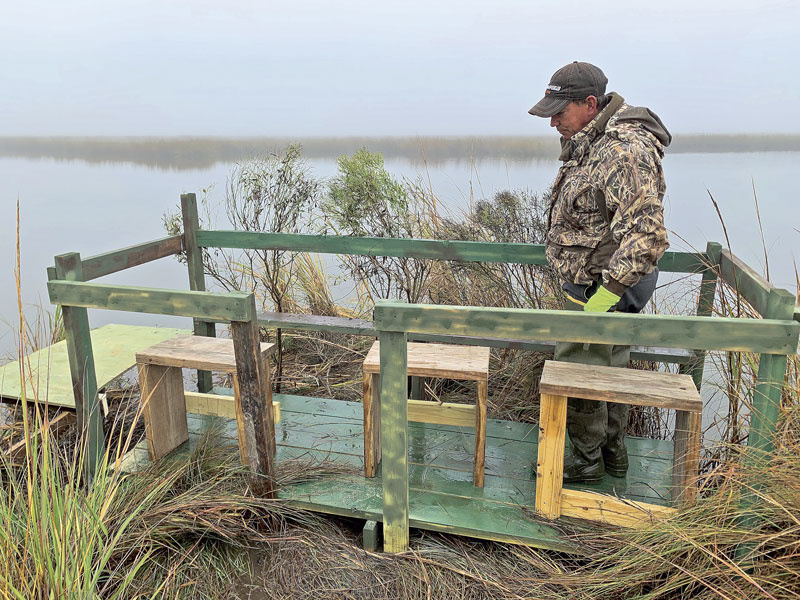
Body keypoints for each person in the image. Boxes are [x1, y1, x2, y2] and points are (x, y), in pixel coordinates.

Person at [529, 61, 671, 483]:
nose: (553, 121)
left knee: (580, 371)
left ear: (590, 104)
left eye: (560, 111)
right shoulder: (592, 143)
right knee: (609, 368)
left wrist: (602, 300)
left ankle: (584, 462)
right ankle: (613, 454)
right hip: (601, 285)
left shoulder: (619, 149)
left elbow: (647, 234)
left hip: (602, 289)